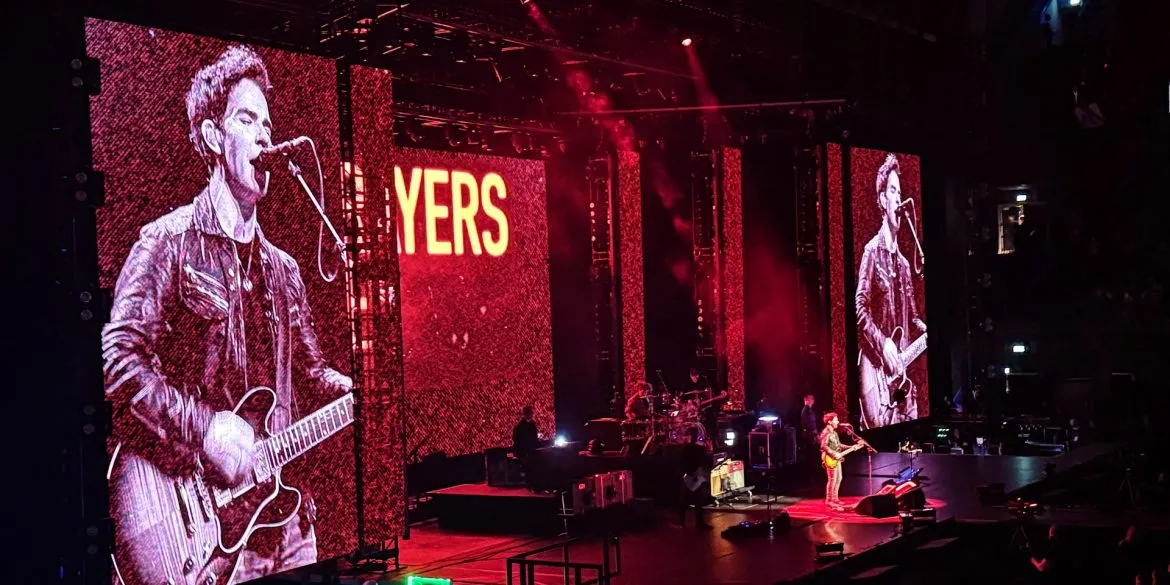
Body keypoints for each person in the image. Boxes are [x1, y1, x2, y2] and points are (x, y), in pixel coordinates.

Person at [102, 45, 352, 584]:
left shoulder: (284, 270)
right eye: (248, 119)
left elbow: (309, 375)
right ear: (214, 138)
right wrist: (206, 428)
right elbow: (120, 361)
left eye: (268, 122)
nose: (266, 135)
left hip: (284, 523)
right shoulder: (166, 242)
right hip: (195, 526)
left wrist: (363, 391)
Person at [856, 153, 927, 429]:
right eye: (893, 191)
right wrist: (883, 342)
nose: (899, 198)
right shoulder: (871, 251)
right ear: (883, 200)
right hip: (878, 372)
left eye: (900, 191)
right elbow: (860, 309)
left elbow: (913, 319)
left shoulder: (906, 264)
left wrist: (928, 330)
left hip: (903, 381)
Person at [819, 412, 864, 510]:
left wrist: (852, 447)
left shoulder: (834, 433)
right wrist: (834, 454)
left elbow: (839, 445)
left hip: (837, 458)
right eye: (836, 420)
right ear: (830, 422)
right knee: (832, 479)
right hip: (830, 458)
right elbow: (823, 446)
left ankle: (835, 499)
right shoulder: (826, 432)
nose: (838, 422)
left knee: (839, 478)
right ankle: (829, 500)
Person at [678, 427, 711, 528]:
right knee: (695, 500)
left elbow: (681, 463)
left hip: (690, 476)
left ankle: (683, 523)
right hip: (693, 475)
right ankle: (698, 523)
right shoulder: (698, 449)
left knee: (686, 500)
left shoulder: (685, 449)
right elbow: (704, 461)